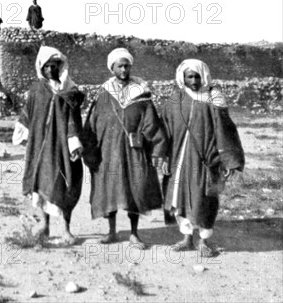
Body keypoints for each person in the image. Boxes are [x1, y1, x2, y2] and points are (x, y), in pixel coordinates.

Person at [82, 48, 167, 249]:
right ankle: (111, 231)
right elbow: (92, 124)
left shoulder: (140, 93)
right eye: (119, 65)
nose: (123, 69)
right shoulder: (103, 94)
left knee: (134, 191)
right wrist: (90, 150)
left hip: (134, 153)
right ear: (112, 68)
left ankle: (134, 234)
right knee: (109, 190)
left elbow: (152, 124)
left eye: (126, 65)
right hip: (108, 153)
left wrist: (156, 149)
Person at [161, 59, 245, 257]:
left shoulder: (214, 99)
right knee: (181, 199)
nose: (194, 80)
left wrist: (228, 160)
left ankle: (204, 241)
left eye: (197, 76)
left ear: (204, 76)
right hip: (180, 161)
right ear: (183, 77)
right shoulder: (175, 100)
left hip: (205, 160)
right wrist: (164, 156)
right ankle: (187, 239)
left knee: (205, 199)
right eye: (189, 76)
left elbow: (225, 131)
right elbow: (165, 130)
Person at [13, 46, 87, 245]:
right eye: (47, 67)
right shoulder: (37, 90)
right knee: (42, 185)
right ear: (41, 68)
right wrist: (25, 134)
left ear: (60, 67)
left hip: (63, 147)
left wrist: (74, 144)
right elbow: (29, 113)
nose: (50, 71)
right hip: (41, 148)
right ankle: (45, 226)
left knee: (65, 184)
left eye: (54, 66)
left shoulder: (69, 89)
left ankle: (66, 229)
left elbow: (73, 120)